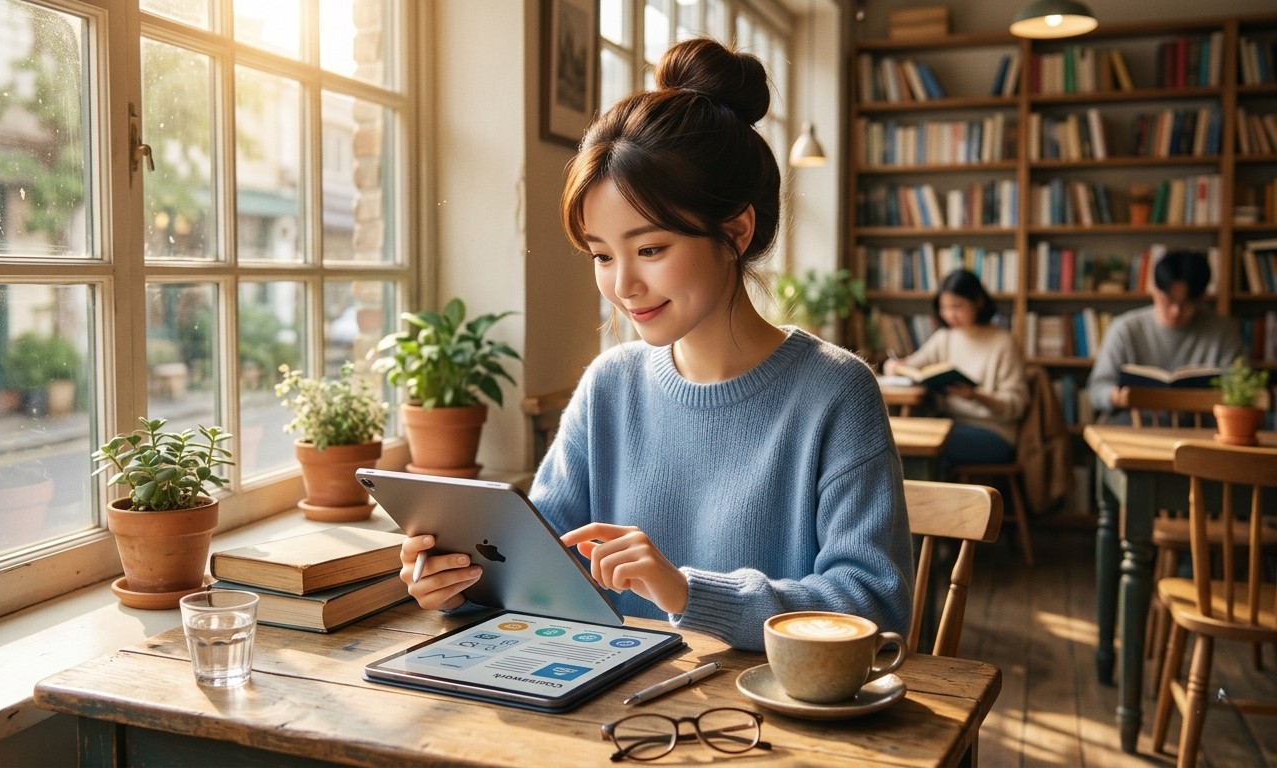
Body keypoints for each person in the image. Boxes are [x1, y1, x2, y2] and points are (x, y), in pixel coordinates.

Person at [397, 38, 913, 652]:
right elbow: (538, 561)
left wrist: (689, 593)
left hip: (757, 705)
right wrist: (460, 583)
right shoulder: (610, 384)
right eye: (601, 255)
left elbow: (874, 603)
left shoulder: (836, 391)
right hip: (606, 693)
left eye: (649, 249)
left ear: (736, 230)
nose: (623, 285)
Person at [883, 269, 1029, 469]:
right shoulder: (946, 337)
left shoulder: (1003, 343)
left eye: (957, 306)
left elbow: (1016, 406)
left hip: (994, 433)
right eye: (944, 307)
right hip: (950, 424)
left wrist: (975, 396)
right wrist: (894, 366)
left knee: (920, 443)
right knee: (901, 436)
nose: (950, 314)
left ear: (978, 302)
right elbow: (911, 365)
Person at [1087, 250, 1243, 420]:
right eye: (1168, 300)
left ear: (1202, 298)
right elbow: (1097, 388)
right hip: (1135, 426)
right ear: (1153, 289)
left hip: (1199, 429)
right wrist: (1116, 396)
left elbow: (1241, 389)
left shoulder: (1223, 331)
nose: (1176, 311)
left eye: (1186, 303)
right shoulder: (1125, 328)